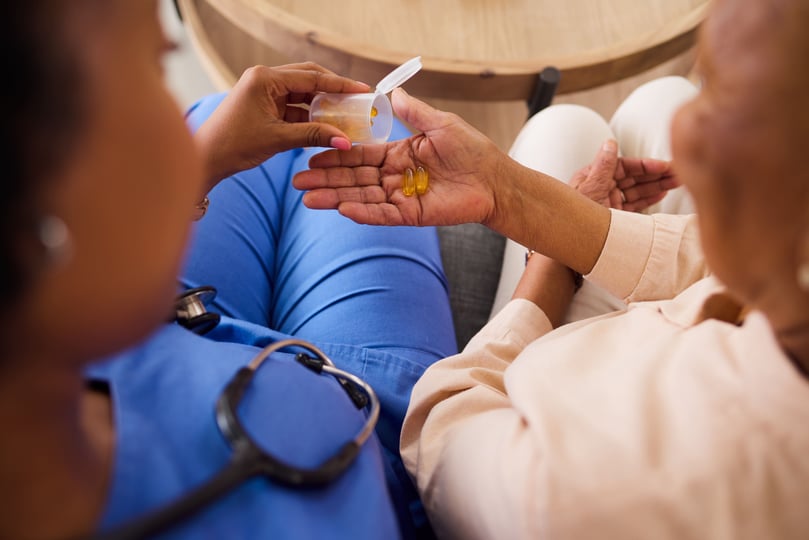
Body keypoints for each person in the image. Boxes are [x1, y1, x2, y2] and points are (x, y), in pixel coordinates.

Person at [292, 0, 809, 536]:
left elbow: (438, 427)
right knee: (649, 101)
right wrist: (507, 192)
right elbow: (709, 263)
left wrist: (552, 269)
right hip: (638, 338)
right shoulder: (786, 288)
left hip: (513, 400)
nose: (685, 129)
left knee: (565, 125)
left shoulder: (595, 496)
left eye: (716, 106)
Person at [0, 1, 456, 539]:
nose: (183, 121)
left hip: (197, 336)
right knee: (379, 135)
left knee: (275, 123)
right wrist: (547, 263)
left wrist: (201, 167)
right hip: (378, 423)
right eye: (155, 67)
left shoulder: (58, 343)